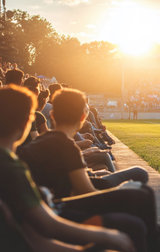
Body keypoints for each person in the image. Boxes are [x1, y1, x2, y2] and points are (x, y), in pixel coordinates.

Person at [18, 88, 160, 250]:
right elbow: (85, 190)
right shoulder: (65, 145)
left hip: (50, 206)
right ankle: (155, 241)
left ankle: (154, 240)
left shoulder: (45, 140)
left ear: (52, 115)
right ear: (83, 117)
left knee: (140, 194)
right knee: (140, 194)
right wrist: (118, 191)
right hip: (59, 208)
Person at [0, 85, 135, 252]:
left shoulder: (14, 161)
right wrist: (107, 237)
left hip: (46, 224)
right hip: (58, 213)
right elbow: (47, 227)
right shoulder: (10, 167)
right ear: (26, 122)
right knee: (134, 216)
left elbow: (30, 236)